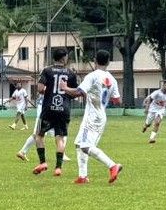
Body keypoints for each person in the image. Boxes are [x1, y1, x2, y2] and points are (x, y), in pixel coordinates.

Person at [58, 50, 123, 183]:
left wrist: (65, 88)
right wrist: (102, 96)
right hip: (101, 115)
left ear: (95, 60)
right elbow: (117, 101)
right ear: (108, 62)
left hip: (92, 116)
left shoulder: (92, 76)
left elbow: (77, 92)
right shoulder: (112, 79)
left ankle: (112, 165)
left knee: (85, 145)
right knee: (79, 144)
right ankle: (82, 177)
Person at [32, 48, 78, 177]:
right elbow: (74, 92)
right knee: (60, 138)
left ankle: (43, 162)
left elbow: (40, 88)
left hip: (48, 108)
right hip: (64, 109)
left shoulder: (47, 70)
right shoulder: (71, 73)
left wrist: (49, 92)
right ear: (64, 58)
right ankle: (58, 168)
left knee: (39, 135)